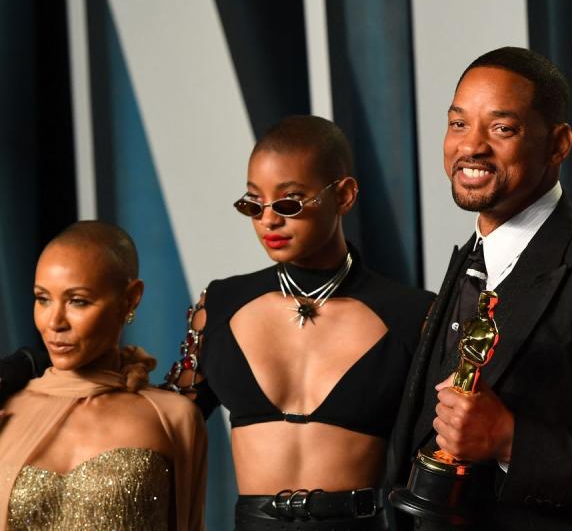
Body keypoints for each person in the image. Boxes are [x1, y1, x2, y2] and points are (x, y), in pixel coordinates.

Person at [386, 47, 572, 530]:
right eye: (459, 124)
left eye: (502, 128)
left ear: (559, 144)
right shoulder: (470, 258)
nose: (471, 147)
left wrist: (510, 441)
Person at [163, 115, 435, 530]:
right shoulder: (221, 305)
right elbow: (170, 420)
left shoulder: (412, 314)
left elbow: (447, 453)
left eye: (288, 202)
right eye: (253, 204)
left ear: (343, 196)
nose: (268, 220)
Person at [0, 221, 206, 530]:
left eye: (78, 301)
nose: (54, 321)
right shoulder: (9, 408)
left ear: (130, 299)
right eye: (43, 298)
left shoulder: (172, 417)